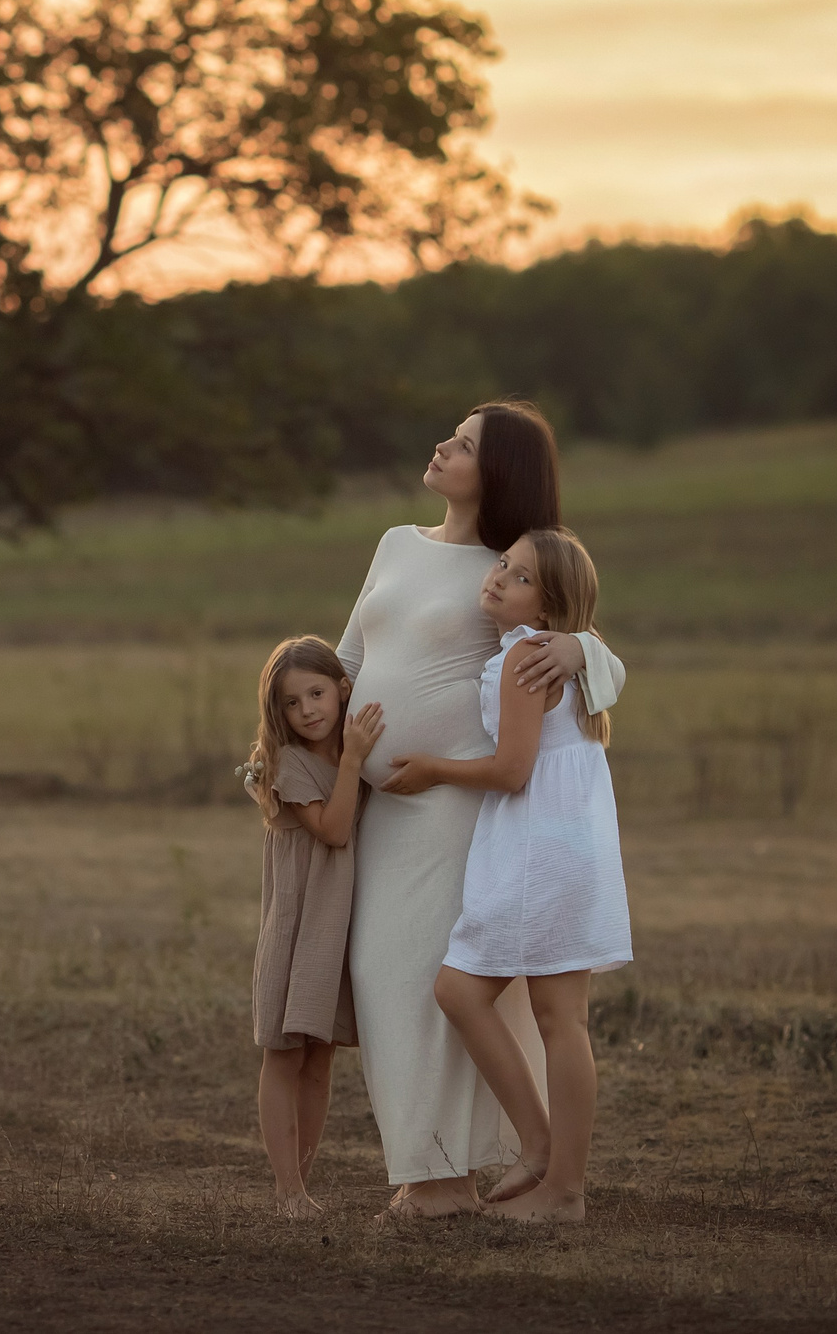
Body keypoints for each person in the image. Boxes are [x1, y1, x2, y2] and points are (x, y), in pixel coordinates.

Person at [338, 400, 625, 1221]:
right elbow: (349, 658)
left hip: (458, 811)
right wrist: (292, 741)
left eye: (463, 445)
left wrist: (581, 646)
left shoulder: (512, 569)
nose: (441, 446)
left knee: (432, 982)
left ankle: (443, 1176)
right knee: (384, 978)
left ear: (495, 472)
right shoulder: (396, 542)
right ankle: (445, 1166)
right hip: (385, 803)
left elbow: (594, 659)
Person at [241, 637, 387, 1217]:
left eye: (317, 694)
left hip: (336, 927)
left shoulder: (355, 752)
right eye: (291, 702)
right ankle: (287, 1191)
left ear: (343, 690)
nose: (307, 710)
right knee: (284, 1054)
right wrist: (353, 761)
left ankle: (301, 1186)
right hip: (298, 928)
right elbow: (333, 830)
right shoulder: (289, 763)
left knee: (321, 1058)